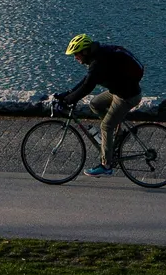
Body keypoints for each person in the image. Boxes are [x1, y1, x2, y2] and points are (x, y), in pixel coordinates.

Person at [53, 33, 143, 176]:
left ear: (84, 51)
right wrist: (67, 93)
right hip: (120, 91)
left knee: (106, 126)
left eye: (76, 54)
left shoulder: (98, 62)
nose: (75, 58)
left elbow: (87, 86)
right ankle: (119, 132)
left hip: (127, 96)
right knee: (95, 103)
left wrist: (69, 100)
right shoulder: (98, 57)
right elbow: (87, 79)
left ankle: (106, 166)